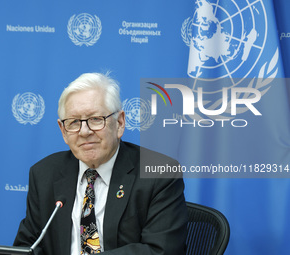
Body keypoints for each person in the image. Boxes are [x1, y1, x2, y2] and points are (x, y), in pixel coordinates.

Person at [14, 72, 188, 255]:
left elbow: (163, 250)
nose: (84, 131)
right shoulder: (44, 174)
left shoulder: (159, 173)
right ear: (63, 131)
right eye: (73, 122)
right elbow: (27, 246)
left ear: (120, 123)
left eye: (95, 119)